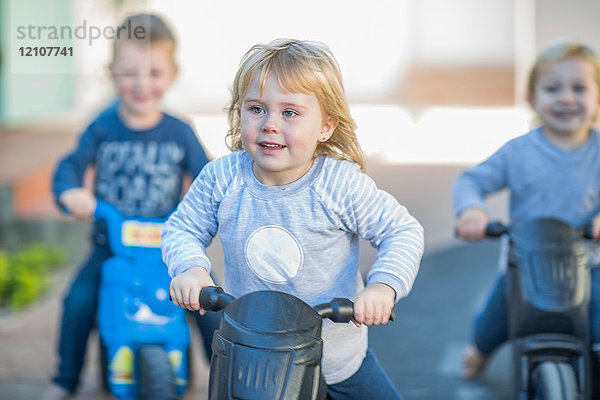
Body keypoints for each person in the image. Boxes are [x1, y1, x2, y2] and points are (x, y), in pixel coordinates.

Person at [161, 38, 424, 400]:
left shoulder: (339, 185)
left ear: (325, 127)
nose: (270, 124)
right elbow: (182, 227)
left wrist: (384, 286)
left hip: (336, 359)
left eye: (289, 112)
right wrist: (190, 268)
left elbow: (402, 231)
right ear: (240, 113)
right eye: (256, 109)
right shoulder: (223, 179)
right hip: (253, 357)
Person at [42, 13, 219, 400]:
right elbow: (70, 165)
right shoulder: (102, 127)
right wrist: (71, 191)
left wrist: (210, 207)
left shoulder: (179, 130)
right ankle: (65, 380)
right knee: (78, 302)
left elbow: (208, 177)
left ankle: (226, 377)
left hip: (172, 247)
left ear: (172, 74)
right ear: (111, 72)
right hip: (114, 246)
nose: (141, 83)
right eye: (129, 72)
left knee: (209, 302)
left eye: (154, 72)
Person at [454, 41, 600, 380]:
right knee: (494, 322)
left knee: (597, 327)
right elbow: (471, 180)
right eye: (552, 88)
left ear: (597, 99)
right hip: (525, 266)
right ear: (533, 100)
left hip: (590, 265)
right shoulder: (518, 152)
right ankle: (479, 351)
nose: (566, 97)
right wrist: (472, 210)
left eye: (579, 88)